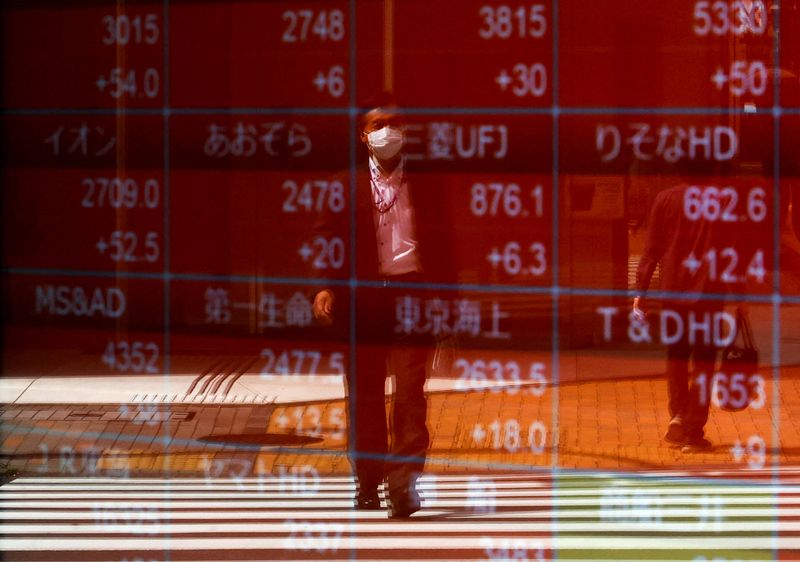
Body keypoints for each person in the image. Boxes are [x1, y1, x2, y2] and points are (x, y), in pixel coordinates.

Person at [313, 105, 431, 518]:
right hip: (362, 303)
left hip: (413, 298)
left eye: (396, 123)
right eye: (378, 125)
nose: (388, 131)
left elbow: (446, 244)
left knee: (410, 396)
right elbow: (328, 237)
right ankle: (367, 481)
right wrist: (326, 285)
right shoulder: (343, 185)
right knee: (365, 397)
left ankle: (403, 487)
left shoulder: (426, 184)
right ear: (363, 136)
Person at [634, 183, 724, 452]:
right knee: (705, 360)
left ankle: (678, 416)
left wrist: (641, 291)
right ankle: (693, 429)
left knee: (676, 354)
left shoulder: (664, 198)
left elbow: (652, 248)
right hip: (707, 291)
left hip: (673, 291)